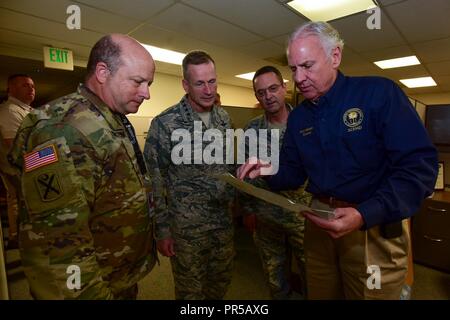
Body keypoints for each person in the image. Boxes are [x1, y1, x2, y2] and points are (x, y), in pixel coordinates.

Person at [237, 21, 438, 299]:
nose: (299, 78)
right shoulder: (300, 117)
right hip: (319, 222)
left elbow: (420, 169)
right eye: (294, 69)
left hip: (373, 224)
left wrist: (364, 213)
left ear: (335, 56)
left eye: (307, 66)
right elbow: (293, 174)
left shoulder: (378, 94)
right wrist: (268, 169)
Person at [8, 34, 157, 299]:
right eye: (138, 82)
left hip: (115, 274)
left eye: (149, 83)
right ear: (102, 72)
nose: (147, 93)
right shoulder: (65, 130)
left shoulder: (109, 115)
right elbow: (58, 251)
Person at [144, 51, 235, 300]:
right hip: (186, 230)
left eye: (213, 81)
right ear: (186, 84)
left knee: (220, 284)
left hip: (222, 224)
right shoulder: (165, 123)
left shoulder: (223, 118)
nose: (208, 90)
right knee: (190, 294)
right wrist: (161, 230)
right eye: (199, 83)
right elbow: (154, 181)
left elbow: (226, 167)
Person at [240, 65, 310, 299]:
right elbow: (246, 174)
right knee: (274, 277)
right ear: (257, 96)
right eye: (261, 92)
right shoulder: (252, 129)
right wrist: (248, 210)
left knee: (312, 274)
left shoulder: (306, 124)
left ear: (284, 88)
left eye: (273, 88)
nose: (268, 96)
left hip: (302, 215)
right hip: (267, 215)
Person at [0, 74, 35, 246]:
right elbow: (13, 145)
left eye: (32, 86)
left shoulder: (26, 110)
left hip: (29, 167)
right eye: (25, 86)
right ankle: (17, 238)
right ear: (11, 89)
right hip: (16, 169)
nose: (31, 89)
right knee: (18, 202)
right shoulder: (9, 111)